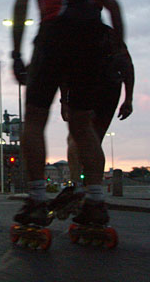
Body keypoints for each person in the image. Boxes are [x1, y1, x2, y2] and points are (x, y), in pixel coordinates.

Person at [11, 0, 126, 226]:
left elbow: (21, 6)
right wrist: (118, 48)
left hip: (55, 35)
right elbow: (114, 7)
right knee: (82, 125)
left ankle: (36, 200)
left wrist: (16, 53)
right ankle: (96, 203)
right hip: (90, 42)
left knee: (35, 118)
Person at [49, 25, 134, 220]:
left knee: (75, 137)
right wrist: (128, 98)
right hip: (111, 88)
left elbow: (64, 70)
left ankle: (77, 187)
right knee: (95, 141)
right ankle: (95, 195)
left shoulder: (72, 31)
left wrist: (64, 101)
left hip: (85, 86)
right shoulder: (110, 34)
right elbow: (127, 64)